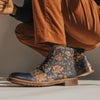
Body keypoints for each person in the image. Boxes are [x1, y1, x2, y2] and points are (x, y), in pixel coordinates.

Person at [0, 0, 99, 86]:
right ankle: (72, 58)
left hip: (93, 21)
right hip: (77, 33)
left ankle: (60, 63)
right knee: (23, 31)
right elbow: (42, 14)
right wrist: (14, 10)